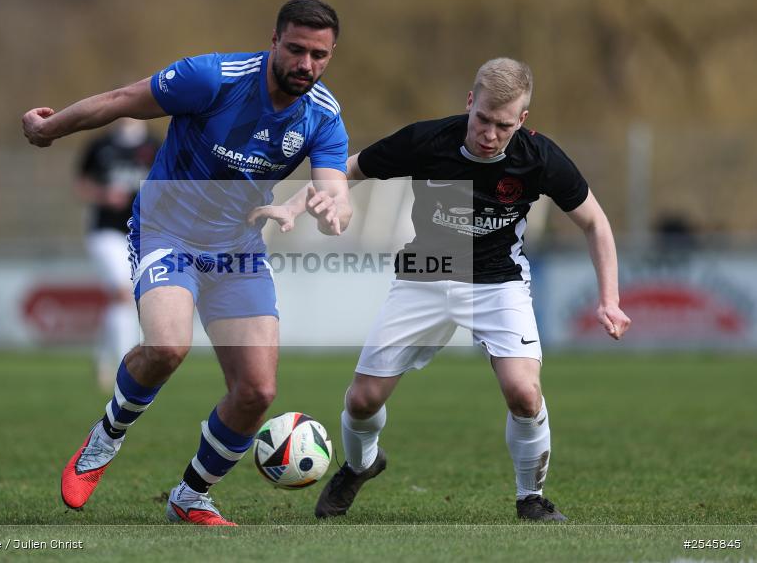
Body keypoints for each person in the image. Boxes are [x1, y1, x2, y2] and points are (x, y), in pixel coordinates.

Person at [254, 57, 631, 522]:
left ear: (522, 121)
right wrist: (293, 206)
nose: (489, 133)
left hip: (499, 283)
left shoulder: (539, 158)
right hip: (425, 275)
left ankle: (530, 497)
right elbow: (346, 170)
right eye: (483, 119)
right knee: (362, 400)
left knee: (524, 393)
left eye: (503, 125)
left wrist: (609, 299)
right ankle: (360, 465)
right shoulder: (427, 141)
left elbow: (594, 221)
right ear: (470, 103)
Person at [22, 0, 350, 525]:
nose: (305, 65)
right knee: (168, 346)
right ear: (274, 41)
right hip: (166, 233)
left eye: (319, 55)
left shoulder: (323, 116)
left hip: (238, 249)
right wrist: (51, 128)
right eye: (295, 50)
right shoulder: (212, 78)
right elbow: (122, 100)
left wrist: (334, 207)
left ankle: (191, 496)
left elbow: (335, 186)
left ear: (331, 55)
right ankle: (105, 438)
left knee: (257, 391)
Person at [76, 118, 161, 392]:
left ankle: (103, 356)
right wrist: (103, 195)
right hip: (106, 233)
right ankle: (127, 369)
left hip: (142, 234)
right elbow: (81, 184)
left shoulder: (154, 145)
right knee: (124, 293)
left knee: (126, 300)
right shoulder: (101, 145)